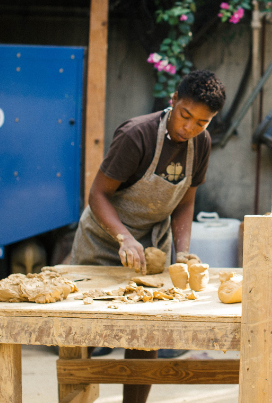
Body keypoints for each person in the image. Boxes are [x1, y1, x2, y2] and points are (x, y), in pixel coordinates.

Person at [70, 69, 225, 403]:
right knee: (85, 331)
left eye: (201, 122)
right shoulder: (136, 135)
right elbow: (97, 195)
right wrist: (124, 238)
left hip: (153, 246)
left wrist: (182, 252)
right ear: (172, 102)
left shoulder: (201, 144)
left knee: (147, 333)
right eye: (185, 116)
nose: (189, 128)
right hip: (104, 240)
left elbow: (186, 201)